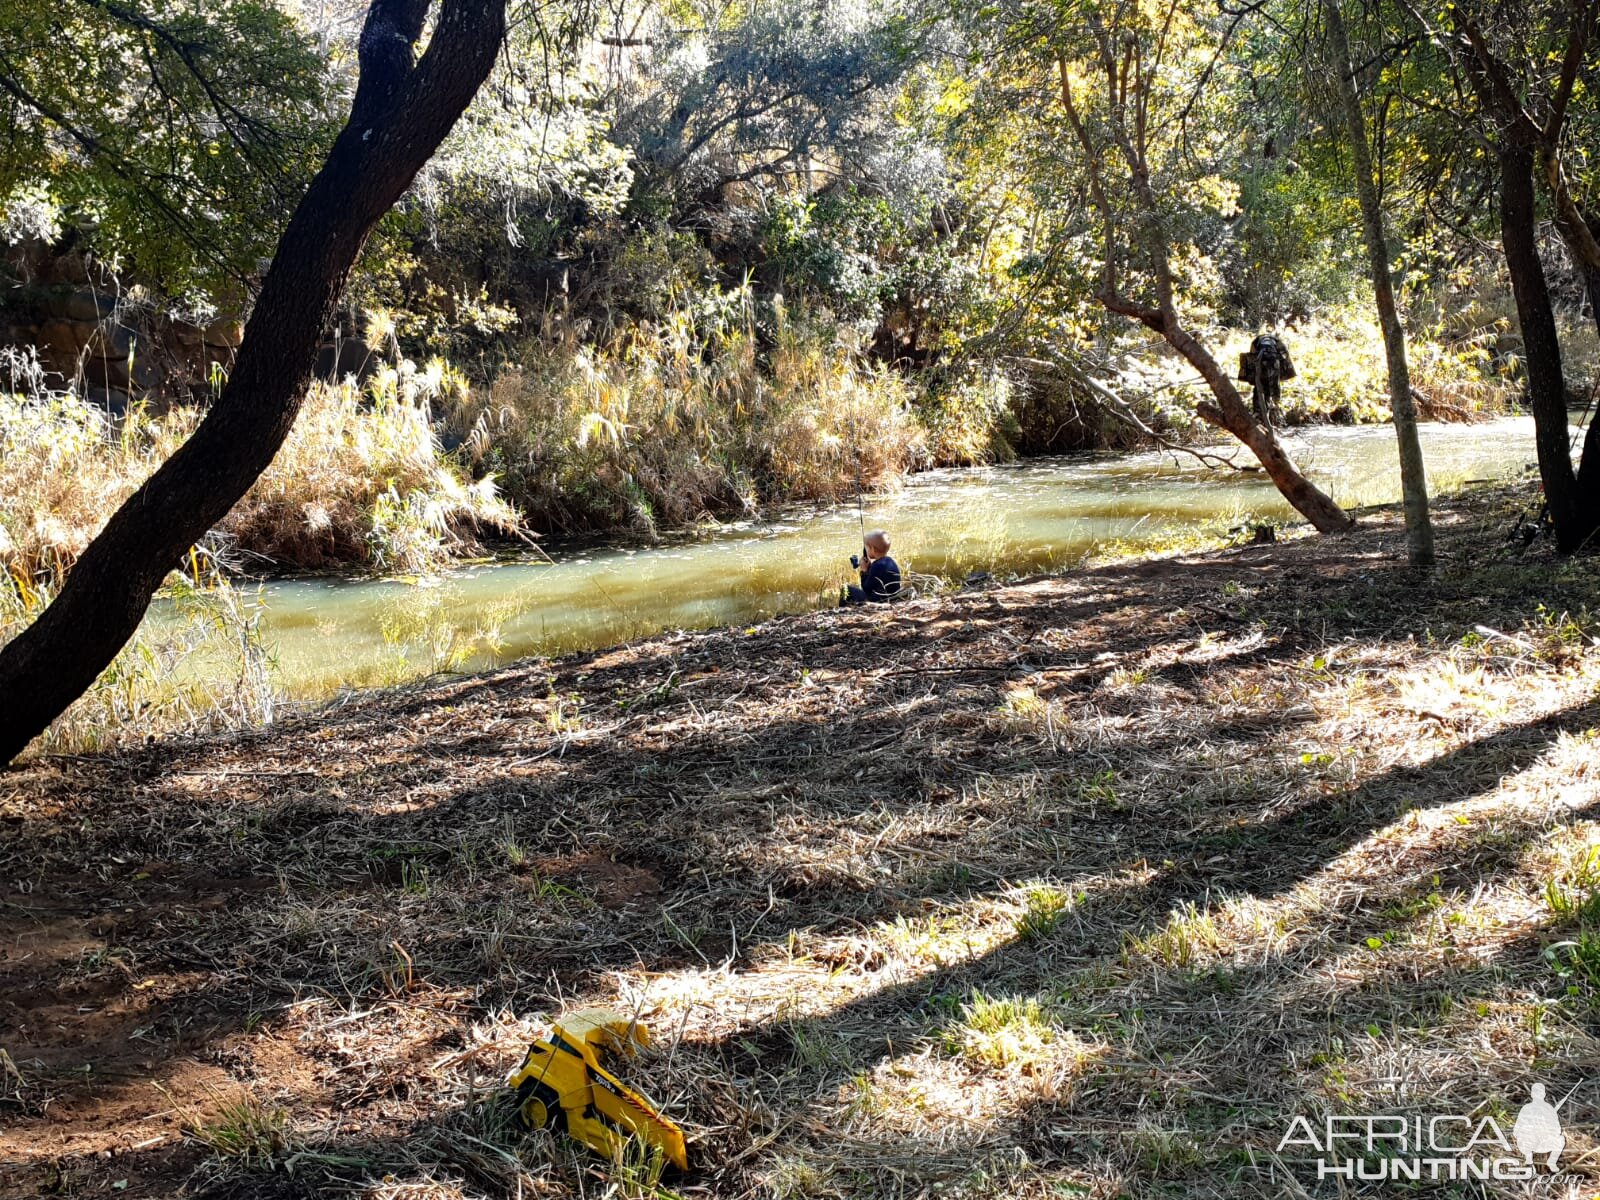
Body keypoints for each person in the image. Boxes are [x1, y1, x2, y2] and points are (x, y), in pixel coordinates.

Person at [1239, 332, 1296, 427]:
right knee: (1273, 388)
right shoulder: (1278, 342)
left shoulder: (1256, 341)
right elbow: (1286, 360)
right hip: (1272, 363)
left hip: (1260, 364)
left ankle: (1259, 413)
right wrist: (1281, 376)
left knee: (1259, 388)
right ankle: (1273, 410)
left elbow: (1251, 358)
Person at [843, 529, 901, 605]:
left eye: (866, 547)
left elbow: (866, 589)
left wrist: (864, 571)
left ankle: (843, 610)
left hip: (878, 601)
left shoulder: (876, 566)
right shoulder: (890, 561)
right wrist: (869, 570)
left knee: (846, 589)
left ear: (872, 549)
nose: (866, 550)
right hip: (892, 598)